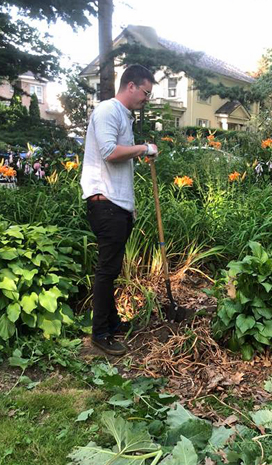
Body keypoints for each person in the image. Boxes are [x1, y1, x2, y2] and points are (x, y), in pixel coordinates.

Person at [81, 64, 158, 356]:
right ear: (130, 86)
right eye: (145, 93)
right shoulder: (107, 111)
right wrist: (144, 148)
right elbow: (110, 153)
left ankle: (111, 324)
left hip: (118, 206)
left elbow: (119, 160)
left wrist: (130, 207)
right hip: (105, 204)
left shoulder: (123, 116)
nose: (146, 99)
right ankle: (100, 334)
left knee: (111, 270)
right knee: (106, 271)